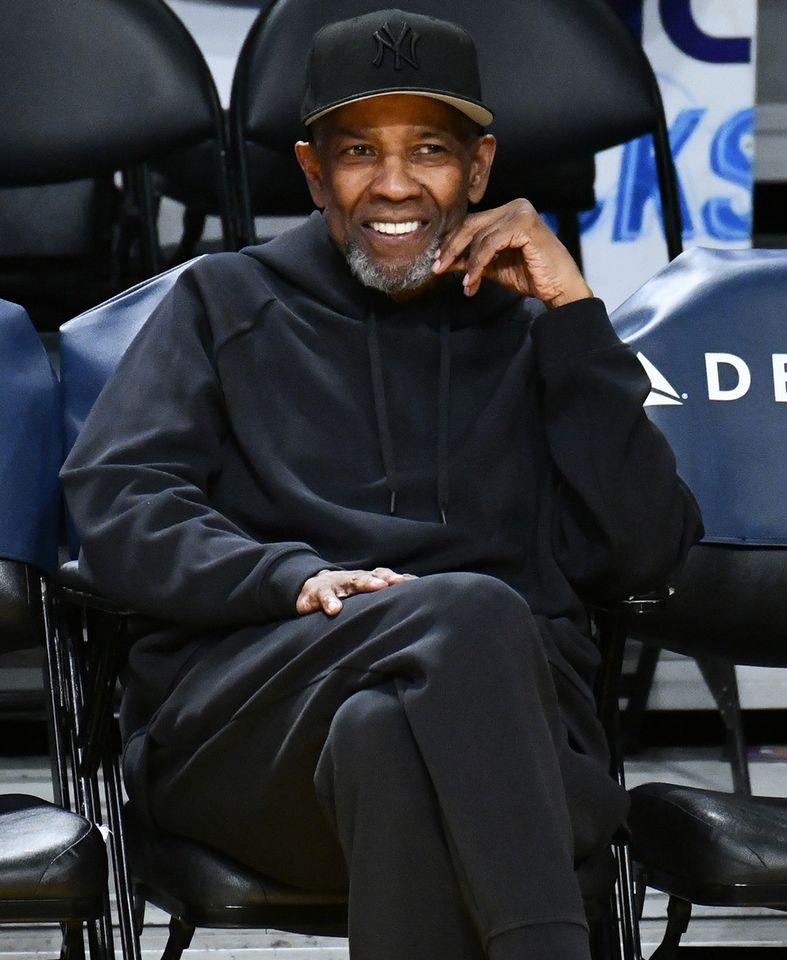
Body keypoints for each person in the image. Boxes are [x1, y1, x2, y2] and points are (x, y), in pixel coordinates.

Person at [62, 9, 703, 960]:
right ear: (314, 171)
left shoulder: (540, 335)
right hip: (251, 738)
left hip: (510, 752)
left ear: (479, 170)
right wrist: (283, 576)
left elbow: (647, 552)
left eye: (430, 151)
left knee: (391, 735)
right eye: (359, 150)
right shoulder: (220, 302)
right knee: (471, 615)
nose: (394, 184)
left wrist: (576, 320)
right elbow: (118, 505)